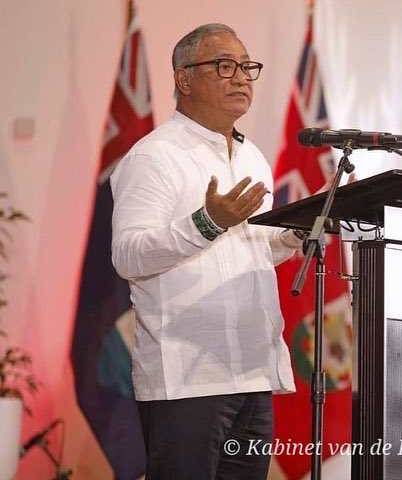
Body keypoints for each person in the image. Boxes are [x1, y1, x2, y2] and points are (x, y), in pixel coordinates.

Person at [111, 23, 303, 479]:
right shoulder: (153, 157)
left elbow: (254, 250)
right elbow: (128, 256)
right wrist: (206, 222)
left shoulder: (251, 157)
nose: (241, 78)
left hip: (253, 371)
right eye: (224, 66)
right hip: (186, 380)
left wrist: (297, 233)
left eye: (247, 67)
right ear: (184, 79)